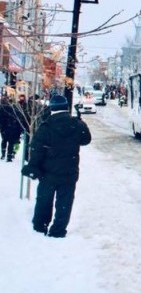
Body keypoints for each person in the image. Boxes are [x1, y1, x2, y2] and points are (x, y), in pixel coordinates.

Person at [21, 95, 91, 238]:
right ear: (66, 107)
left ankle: (40, 226)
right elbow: (86, 140)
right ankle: (58, 230)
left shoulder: (46, 126)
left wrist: (33, 167)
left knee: (44, 200)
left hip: (48, 172)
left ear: (51, 108)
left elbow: (37, 149)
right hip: (69, 172)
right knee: (65, 202)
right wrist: (80, 121)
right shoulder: (77, 124)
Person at [0, 97, 21, 161]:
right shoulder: (15, 109)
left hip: (6, 128)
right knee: (10, 142)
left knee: (5, 141)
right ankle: (9, 156)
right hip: (11, 128)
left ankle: (4, 155)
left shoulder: (2, 108)